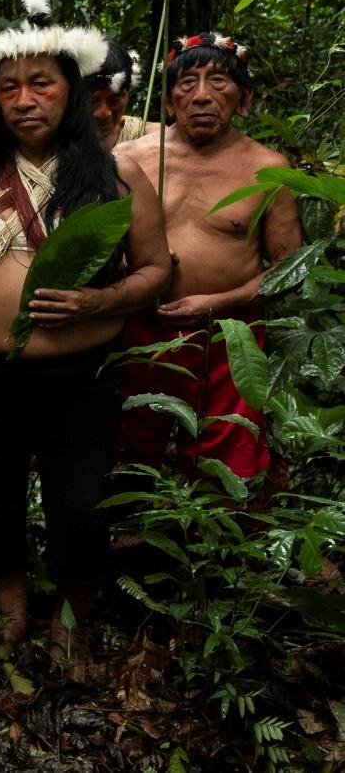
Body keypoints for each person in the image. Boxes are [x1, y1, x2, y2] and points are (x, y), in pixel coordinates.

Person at [0, 0, 169, 661]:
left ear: (70, 93)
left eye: (40, 85)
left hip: (81, 372)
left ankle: (73, 612)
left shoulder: (117, 174)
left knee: (79, 500)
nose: (24, 100)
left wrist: (98, 304)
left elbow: (156, 269)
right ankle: (12, 605)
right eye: (9, 87)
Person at [114, 32, 302, 479]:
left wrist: (216, 304)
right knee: (132, 439)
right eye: (187, 83)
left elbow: (289, 269)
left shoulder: (269, 168)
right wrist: (126, 279)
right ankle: (134, 535)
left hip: (229, 334)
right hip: (141, 327)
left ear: (244, 99)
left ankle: (219, 541)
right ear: (169, 100)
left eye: (218, 82)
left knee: (228, 450)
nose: (201, 95)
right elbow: (96, 249)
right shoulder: (128, 159)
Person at [86, 38, 152, 150]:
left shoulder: (155, 139)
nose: (103, 113)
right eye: (92, 101)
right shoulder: (51, 141)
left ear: (127, 95)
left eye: (114, 101)